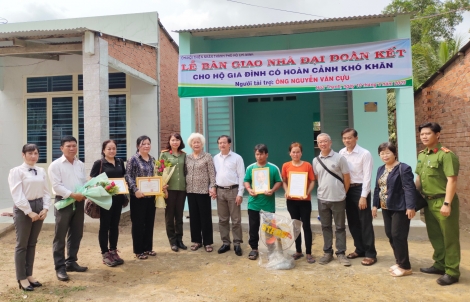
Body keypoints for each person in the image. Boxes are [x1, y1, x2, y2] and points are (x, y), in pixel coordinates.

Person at [415, 122, 460, 286]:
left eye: (428, 133)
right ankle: (440, 265)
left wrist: (447, 203)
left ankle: (452, 271)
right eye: (422, 134)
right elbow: (418, 179)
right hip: (428, 202)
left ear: (438, 134)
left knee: (450, 238)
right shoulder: (422, 155)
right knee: (435, 236)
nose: (424, 137)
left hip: (443, 201)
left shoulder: (446, 155)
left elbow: (452, 181)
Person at [8, 144, 51, 291]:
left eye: (36, 153)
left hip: (39, 207)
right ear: (23, 155)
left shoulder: (41, 170)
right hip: (23, 209)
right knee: (22, 245)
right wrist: (28, 211)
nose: (33, 156)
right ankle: (21, 278)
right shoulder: (16, 171)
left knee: (32, 243)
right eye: (30, 153)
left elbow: (46, 191)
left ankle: (29, 274)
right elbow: (17, 194)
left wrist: (45, 208)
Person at [372, 142, 416, 277]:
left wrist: (410, 206)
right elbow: (377, 188)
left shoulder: (404, 168)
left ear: (394, 153)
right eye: (382, 153)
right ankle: (399, 261)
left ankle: (406, 266)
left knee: (398, 235)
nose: (385, 156)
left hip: (400, 207)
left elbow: (409, 188)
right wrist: (374, 205)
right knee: (390, 234)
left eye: (387, 152)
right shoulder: (381, 169)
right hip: (386, 207)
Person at [48, 136, 87, 281]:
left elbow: (83, 182)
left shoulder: (80, 164)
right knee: (60, 235)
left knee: (76, 233)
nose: (72, 148)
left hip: (79, 202)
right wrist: (72, 195)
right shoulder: (55, 165)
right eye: (68, 146)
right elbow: (56, 186)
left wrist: (85, 192)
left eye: (74, 146)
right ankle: (60, 267)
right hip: (64, 202)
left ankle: (71, 261)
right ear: (61, 148)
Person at [339, 128, 377, 266]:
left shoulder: (364, 154)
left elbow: (367, 176)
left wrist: (363, 196)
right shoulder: (341, 153)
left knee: (365, 223)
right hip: (347, 190)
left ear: (356, 138)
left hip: (361, 190)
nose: (347, 140)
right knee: (353, 222)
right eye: (344, 138)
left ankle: (370, 254)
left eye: (349, 138)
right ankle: (359, 249)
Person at [312, 133, 351, 266]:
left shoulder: (340, 158)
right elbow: (318, 178)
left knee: (340, 227)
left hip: (338, 199)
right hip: (322, 198)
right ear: (317, 144)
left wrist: (342, 192)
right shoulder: (316, 160)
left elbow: (347, 177)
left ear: (330, 142)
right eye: (320, 142)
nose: (322, 144)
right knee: (325, 226)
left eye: (325, 141)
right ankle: (327, 252)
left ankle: (341, 253)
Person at [90, 140, 127, 267]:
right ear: (104, 150)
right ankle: (105, 253)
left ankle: (113, 251)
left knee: (114, 226)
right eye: (109, 149)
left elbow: (123, 178)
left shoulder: (120, 162)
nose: (112, 151)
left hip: (118, 199)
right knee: (104, 227)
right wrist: (102, 187)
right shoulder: (99, 163)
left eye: (114, 148)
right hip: (105, 200)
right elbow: (92, 181)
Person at [243, 144, 282, 260]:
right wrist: (249, 189)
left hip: (268, 204)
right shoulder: (250, 168)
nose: (259, 156)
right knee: (253, 227)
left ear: (266, 154)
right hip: (253, 203)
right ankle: (254, 248)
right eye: (257, 154)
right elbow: (246, 181)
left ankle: (271, 249)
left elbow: (278, 182)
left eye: (261, 154)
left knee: (269, 228)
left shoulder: (273, 168)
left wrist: (272, 190)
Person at [282, 142, 316, 264]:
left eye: (298, 151)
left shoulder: (307, 165)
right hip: (291, 201)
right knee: (296, 226)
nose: (295, 154)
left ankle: (309, 253)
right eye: (293, 152)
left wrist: (307, 192)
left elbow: (312, 181)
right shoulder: (286, 166)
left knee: (306, 226)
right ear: (290, 153)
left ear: (301, 153)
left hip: (304, 200)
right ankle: (298, 251)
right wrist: (287, 191)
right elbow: (284, 181)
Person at [125, 135, 157, 260]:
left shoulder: (153, 159)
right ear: (138, 146)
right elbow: (128, 176)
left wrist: (161, 186)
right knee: (138, 224)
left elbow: (156, 176)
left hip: (151, 197)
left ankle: (148, 248)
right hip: (138, 197)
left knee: (149, 223)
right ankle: (138, 250)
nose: (146, 146)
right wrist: (135, 189)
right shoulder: (133, 159)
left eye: (148, 143)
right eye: (143, 144)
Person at [213, 135, 245, 256]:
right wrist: (214, 188)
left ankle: (237, 243)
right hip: (220, 191)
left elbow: (242, 176)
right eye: (220, 143)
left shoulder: (237, 158)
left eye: (224, 143)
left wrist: (240, 193)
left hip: (233, 191)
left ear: (229, 144)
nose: (222, 145)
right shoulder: (215, 158)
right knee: (223, 219)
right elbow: (214, 175)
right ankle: (225, 243)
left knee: (236, 220)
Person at [185, 133, 217, 253]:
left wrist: (213, 187)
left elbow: (212, 174)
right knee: (194, 217)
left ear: (202, 144)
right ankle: (196, 240)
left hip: (203, 191)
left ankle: (208, 242)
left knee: (205, 217)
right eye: (194, 142)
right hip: (190, 191)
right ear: (191, 144)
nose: (196, 144)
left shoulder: (207, 156)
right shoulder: (187, 157)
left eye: (198, 142)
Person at [159, 133, 188, 252]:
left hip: (181, 189)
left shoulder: (184, 155)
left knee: (179, 215)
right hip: (169, 189)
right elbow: (159, 171)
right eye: (173, 140)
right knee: (170, 216)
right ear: (169, 142)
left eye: (177, 140)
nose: (175, 142)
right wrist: (162, 186)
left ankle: (179, 239)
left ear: (180, 142)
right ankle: (172, 241)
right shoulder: (164, 154)